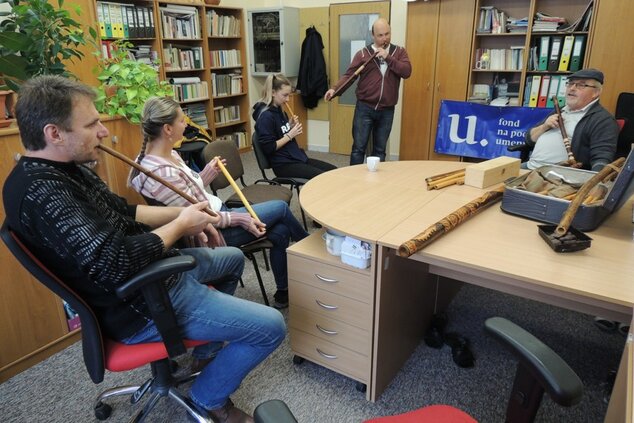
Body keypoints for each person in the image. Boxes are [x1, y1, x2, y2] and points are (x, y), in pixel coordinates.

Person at [3, 75, 285, 423]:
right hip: (140, 301)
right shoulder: (45, 193)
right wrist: (181, 226)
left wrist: (188, 213)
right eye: (92, 124)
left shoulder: (66, 171)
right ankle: (207, 397)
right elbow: (116, 260)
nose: (104, 132)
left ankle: (207, 352)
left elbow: (127, 211)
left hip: (150, 272)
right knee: (271, 326)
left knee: (231, 257)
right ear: (54, 134)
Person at [130, 96, 309, 309]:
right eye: (181, 120)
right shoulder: (161, 174)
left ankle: (283, 293)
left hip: (217, 212)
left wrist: (206, 174)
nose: (186, 123)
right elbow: (197, 217)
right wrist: (239, 218)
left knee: (279, 231)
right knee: (280, 208)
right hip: (212, 231)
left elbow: (192, 193)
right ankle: (310, 251)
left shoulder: (169, 156)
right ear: (167, 129)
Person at [324, 18, 412, 166]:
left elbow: (407, 71)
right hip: (365, 108)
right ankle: (354, 181)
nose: (385, 38)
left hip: (387, 110)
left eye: (387, 34)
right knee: (358, 148)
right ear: (373, 35)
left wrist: (388, 57)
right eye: (380, 35)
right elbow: (349, 76)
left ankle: (376, 184)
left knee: (380, 150)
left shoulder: (399, 52)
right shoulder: (363, 54)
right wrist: (334, 89)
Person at [524, 68, 619, 171]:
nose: (572, 88)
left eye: (581, 85)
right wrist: (544, 127)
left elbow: (602, 160)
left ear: (596, 92)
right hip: (531, 166)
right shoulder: (561, 110)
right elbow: (529, 140)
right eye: (570, 83)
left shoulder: (603, 120)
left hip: (557, 177)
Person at [252, 73, 337, 179]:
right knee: (322, 178)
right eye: (285, 95)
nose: (288, 99)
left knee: (335, 171)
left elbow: (279, 132)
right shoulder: (265, 116)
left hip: (295, 157)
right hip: (283, 164)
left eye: (289, 95)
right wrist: (290, 135)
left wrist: (289, 125)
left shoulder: (280, 110)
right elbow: (269, 147)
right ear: (273, 93)